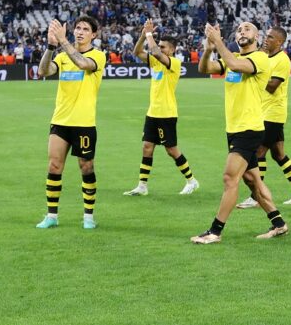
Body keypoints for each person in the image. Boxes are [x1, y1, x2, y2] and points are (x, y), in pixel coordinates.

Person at [192, 22, 289, 244]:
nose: (241, 32)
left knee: (230, 178)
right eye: (238, 30)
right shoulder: (232, 57)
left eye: (247, 29)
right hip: (234, 129)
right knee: (253, 181)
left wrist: (218, 41)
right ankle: (279, 224)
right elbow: (204, 69)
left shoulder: (260, 58)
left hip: (249, 129)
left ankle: (215, 231)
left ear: (257, 36)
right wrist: (208, 49)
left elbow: (235, 65)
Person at [35, 16, 107, 230]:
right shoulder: (62, 57)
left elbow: (83, 64)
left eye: (85, 29)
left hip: (84, 122)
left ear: (93, 34)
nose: (80, 32)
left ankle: (88, 217)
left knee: (86, 167)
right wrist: (51, 46)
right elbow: (43, 71)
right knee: (54, 166)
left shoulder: (98, 56)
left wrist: (63, 41)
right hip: (60, 121)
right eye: (77, 28)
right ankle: (52, 216)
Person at [124, 19, 199, 197]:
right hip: (153, 112)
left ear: (172, 50)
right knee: (147, 147)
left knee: (171, 150)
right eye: (160, 45)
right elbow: (137, 52)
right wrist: (143, 35)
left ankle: (191, 181)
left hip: (166, 113)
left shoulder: (174, 63)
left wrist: (150, 34)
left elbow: (156, 52)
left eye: (163, 46)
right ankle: (142, 185)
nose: (159, 48)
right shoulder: (156, 63)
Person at [237, 26, 291, 209]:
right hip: (265, 111)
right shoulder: (265, 57)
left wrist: (255, 76)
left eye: (270, 37)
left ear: (279, 42)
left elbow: (272, 86)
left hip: (273, 114)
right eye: (266, 36)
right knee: (278, 155)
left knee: (258, 153)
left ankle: (256, 196)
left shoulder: (282, 60)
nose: (266, 39)